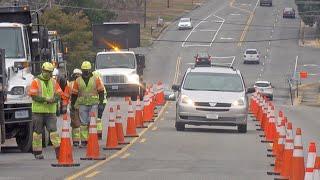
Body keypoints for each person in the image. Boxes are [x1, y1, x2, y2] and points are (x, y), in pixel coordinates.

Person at [28, 62, 66, 160]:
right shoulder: (35, 81)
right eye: (46, 71)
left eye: (49, 72)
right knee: (37, 132)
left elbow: (59, 94)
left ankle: (59, 152)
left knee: (53, 132)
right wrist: (46, 99)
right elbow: (33, 96)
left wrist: (54, 99)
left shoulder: (53, 82)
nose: (47, 73)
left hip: (50, 112)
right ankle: (37, 152)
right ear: (42, 70)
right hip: (38, 112)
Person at [71, 61, 105, 147]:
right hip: (82, 104)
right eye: (84, 70)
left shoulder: (95, 79)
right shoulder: (78, 80)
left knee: (92, 122)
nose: (85, 72)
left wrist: (101, 103)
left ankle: (92, 139)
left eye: (87, 70)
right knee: (83, 123)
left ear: (90, 70)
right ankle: (84, 141)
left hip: (93, 104)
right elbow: (74, 94)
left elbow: (101, 91)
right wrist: (73, 104)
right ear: (82, 70)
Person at [64, 68, 82, 146]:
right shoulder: (84, 83)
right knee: (79, 124)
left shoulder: (70, 84)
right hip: (79, 106)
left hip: (76, 106)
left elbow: (66, 96)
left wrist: (64, 106)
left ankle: (76, 141)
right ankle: (82, 141)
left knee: (76, 124)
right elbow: (66, 96)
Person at [92, 70, 107, 140]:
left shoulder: (95, 84)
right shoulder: (102, 84)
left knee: (95, 119)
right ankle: (99, 133)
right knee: (99, 119)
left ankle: (96, 133)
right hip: (103, 103)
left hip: (98, 103)